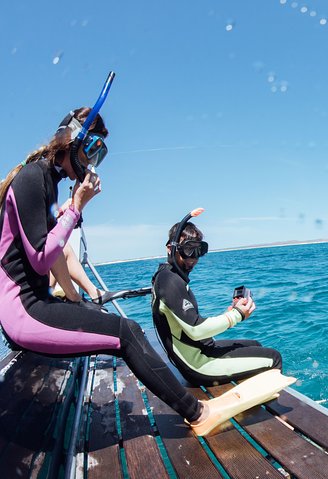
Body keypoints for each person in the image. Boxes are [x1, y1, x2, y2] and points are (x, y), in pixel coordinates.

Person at [0, 105, 251, 437]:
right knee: (127, 332)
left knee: (114, 324)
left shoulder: (46, 180)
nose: (91, 162)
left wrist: (79, 300)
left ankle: (192, 407)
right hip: (24, 312)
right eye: (90, 150)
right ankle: (197, 412)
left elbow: (59, 253)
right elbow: (41, 260)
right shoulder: (34, 177)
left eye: (99, 155)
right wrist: (76, 208)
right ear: (71, 141)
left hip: (30, 307)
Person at [151, 219, 282, 386]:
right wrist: (237, 315)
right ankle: (272, 410)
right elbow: (196, 329)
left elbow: (189, 323)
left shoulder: (167, 276)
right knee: (273, 358)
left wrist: (228, 314)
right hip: (199, 365)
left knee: (256, 345)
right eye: (188, 251)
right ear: (170, 249)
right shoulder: (170, 281)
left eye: (198, 251)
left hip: (201, 350)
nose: (194, 258)